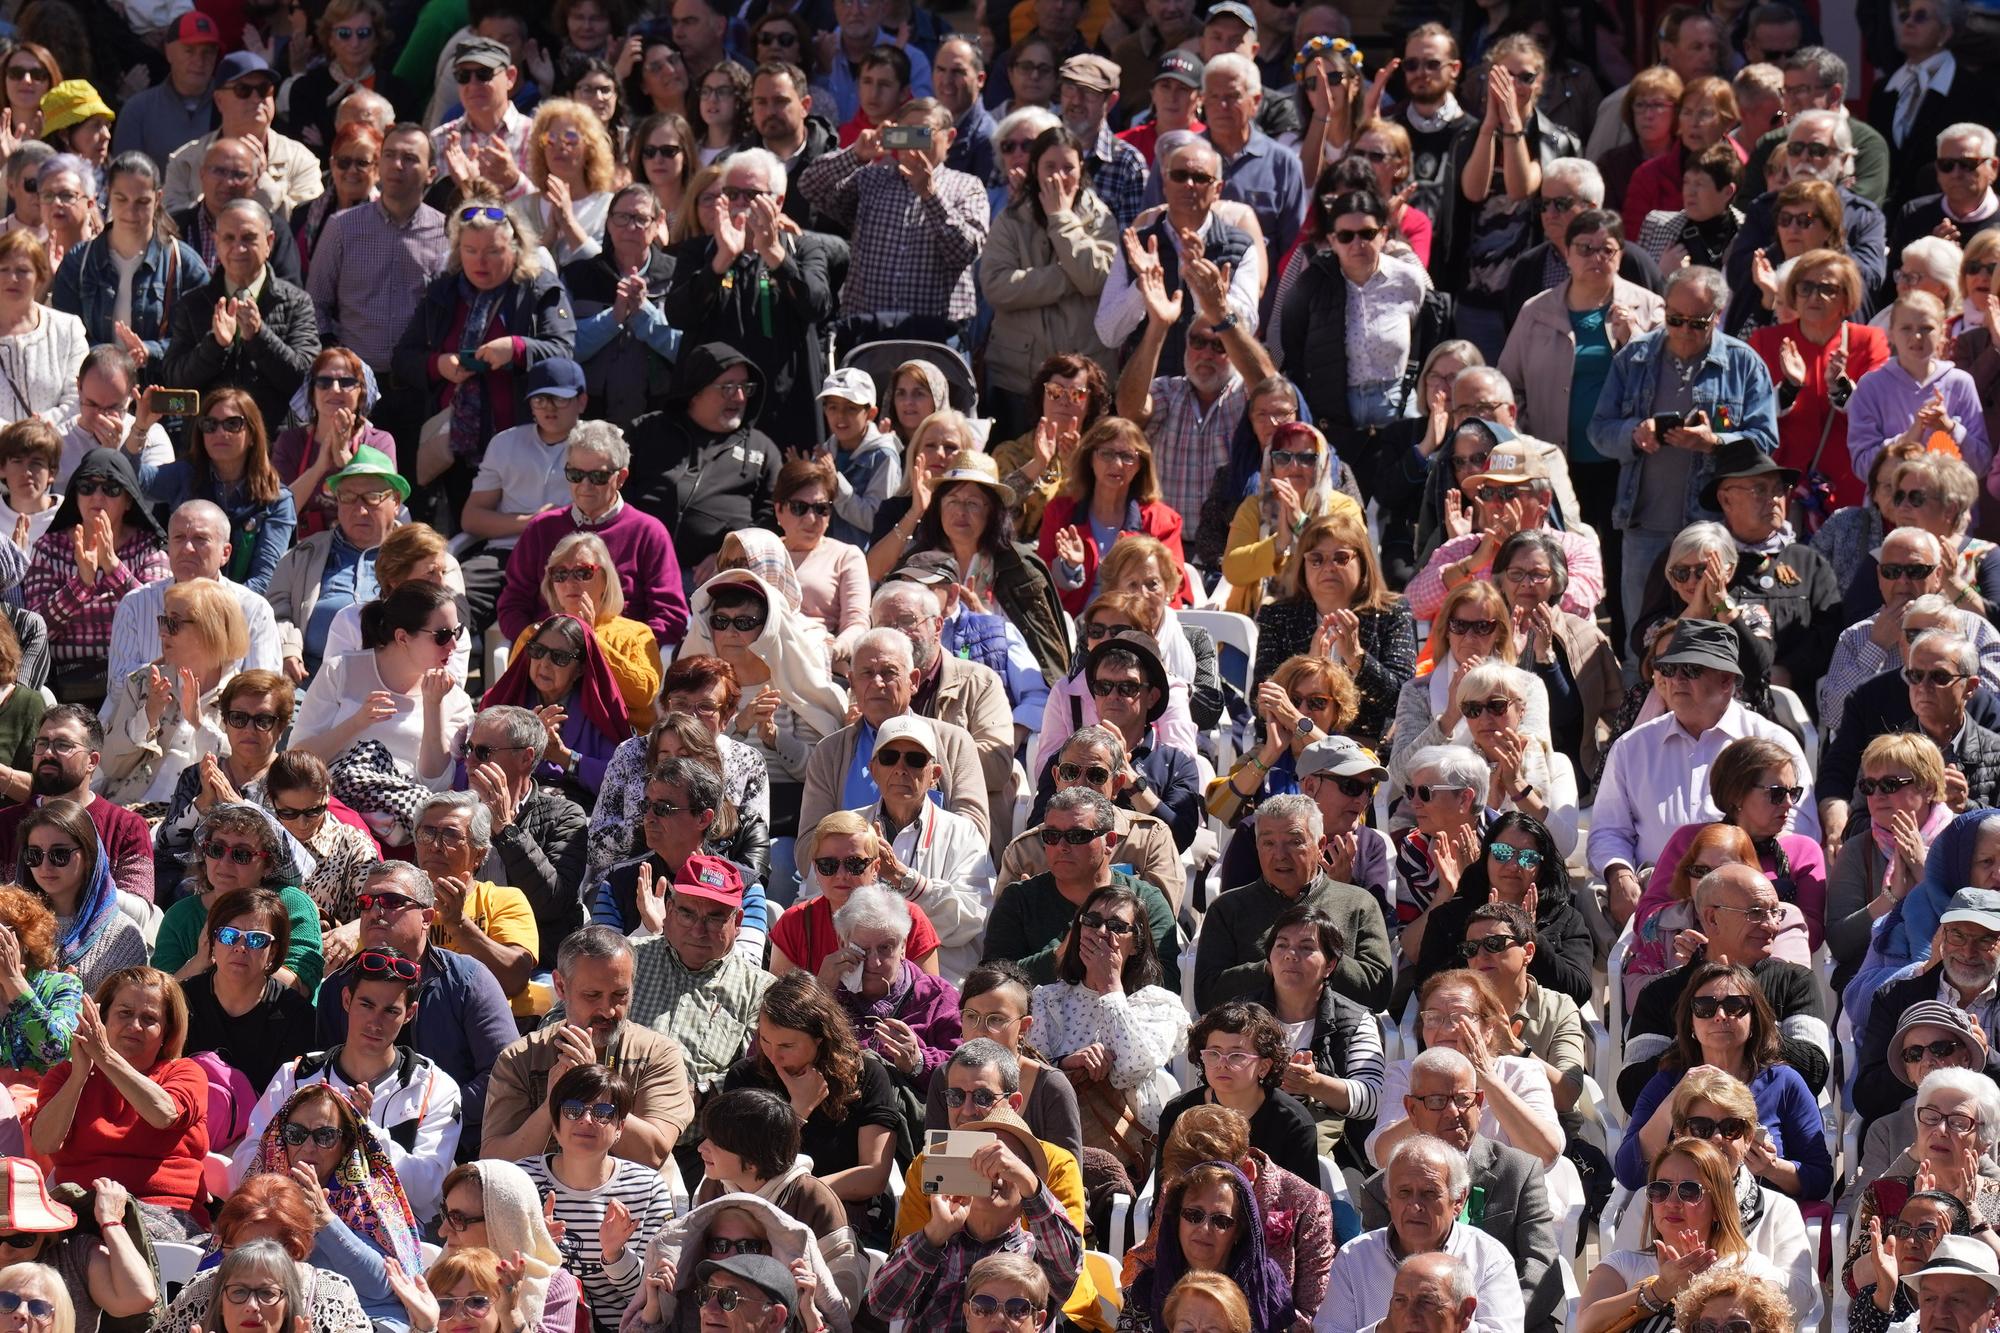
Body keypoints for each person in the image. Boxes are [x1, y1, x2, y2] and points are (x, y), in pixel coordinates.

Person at [1589, 619, 1816, 925]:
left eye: (1691, 670)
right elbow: (1608, 830)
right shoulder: (1633, 746)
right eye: (1669, 669)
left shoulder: (1773, 744)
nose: (1676, 680)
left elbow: (1796, 831)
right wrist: (1618, 874)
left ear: (1726, 682)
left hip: (1748, 906)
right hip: (1654, 900)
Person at [233, 943, 462, 1226]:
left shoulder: (435, 1086)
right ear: (346, 1000)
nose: (375, 1022)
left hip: (396, 1239)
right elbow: (244, 1165)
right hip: (294, 1221)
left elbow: (424, 1189)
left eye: (390, 1011)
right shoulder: (296, 1075)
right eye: (366, 1005)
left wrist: (367, 1133)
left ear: (410, 1013)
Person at [313, 861, 517, 1158]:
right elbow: (325, 1073)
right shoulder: (338, 987)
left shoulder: (468, 979)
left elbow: (504, 1077)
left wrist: (431, 1113)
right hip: (353, 1148)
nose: (375, 912)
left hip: (459, 1149)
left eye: (392, 902)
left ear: (427, 917)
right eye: (366, 903)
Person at [392, 198, 576, 523]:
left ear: (515, 248)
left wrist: (517, 348)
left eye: (493, 251)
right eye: (470, 250)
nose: (481, 261)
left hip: (522, 447)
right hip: (453, 453)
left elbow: (563, 350)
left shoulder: (539, 289)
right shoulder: (442, 293)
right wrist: (440, 365)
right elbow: (403, 358)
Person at [1617, 962, 1831, 1199]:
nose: (1720, 1016)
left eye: (1735, 1006)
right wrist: (1675, 1099)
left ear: (1754, 1020)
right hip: (1684, 1221)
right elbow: (1629, 1173)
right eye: (1704, 1007)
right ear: (1691, 1023)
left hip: (1759, 1225)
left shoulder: (1784, 1083)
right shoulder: (1667, 1083)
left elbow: (1820, 1179)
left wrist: (1772, 1168)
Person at [866, 1098, 1082, 1329]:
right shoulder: (934, 1242)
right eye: (982, 1160)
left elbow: (1067, 1270)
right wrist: (934, 1235)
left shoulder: (1037, 1254)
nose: (995, 1173)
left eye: (1009, 1163)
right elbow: (882, 1305)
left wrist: (1031, 1184)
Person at [722, 971, 901, 1235]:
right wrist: (798, 1111)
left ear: (820, 1038)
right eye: (765, 1040)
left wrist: (803, 1195)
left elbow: (873, 1174)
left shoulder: (867, 1076)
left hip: (840, 1216)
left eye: (787, 1045)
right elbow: (742, 1167)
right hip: (759, 1217)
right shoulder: (745, 1076)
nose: (772, 1055)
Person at [31, 967, 207, 1234]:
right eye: (124, 1013)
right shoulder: (65, 1075)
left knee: (106, 1250)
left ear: (166, 1032)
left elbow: (163, 1115)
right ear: (103, 1019)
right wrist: (79, 1077)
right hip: (82, 1210)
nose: (134, 1026)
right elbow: (44, 1142)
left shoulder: (184, 1072)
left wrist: (105, 1057)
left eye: (149, 1019)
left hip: (160, 1212)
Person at [237, 1083, 422, 1326]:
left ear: (345, 1142)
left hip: (369, 1318)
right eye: (296, 1133)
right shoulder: (266, 1191)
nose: (309, 1146)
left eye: (325, 1136)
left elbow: (381, 1285)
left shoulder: (366, 1196)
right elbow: (225, 1265)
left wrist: (324, 1219)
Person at [512, 1063, 673, 1333]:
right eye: (573, 1110)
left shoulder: (647, 1188)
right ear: (555, 1124)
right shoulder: (519, 1180)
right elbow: (492, 1271)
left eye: (602, 1112)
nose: (586, 1120)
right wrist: (537, 1249)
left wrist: (615, 1255)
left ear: (620, 1127)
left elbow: (655, 1296)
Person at [980, 125, 1119, 434]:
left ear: (1081, 168)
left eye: (1068, 167)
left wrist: (1061, 219)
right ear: (1035, 169)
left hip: (1082, 380)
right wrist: (1067, 276)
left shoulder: (1100, 218)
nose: (1058, 176)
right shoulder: (1012, 220)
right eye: (1050, 167)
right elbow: (997, 286)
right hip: (1018, 377)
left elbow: (1096, 279)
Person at [1498, 209, 1666, 459]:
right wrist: (1527, 435)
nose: (1596, 257)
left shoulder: (1649, 307)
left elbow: (1667, 382)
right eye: (1585, 248)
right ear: (1567, 253)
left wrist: (1635, 338)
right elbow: (1507, 384)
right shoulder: (1535, 311)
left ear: (1620, 256)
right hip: (1549, 458)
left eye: (1607, 250)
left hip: (1625, 460)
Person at [1580, 1137, 1792, 1333]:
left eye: (1689, 1191)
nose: (1672, 1203)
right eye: (1660, 1189)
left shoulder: (1751, 1268)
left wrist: (1704, 1284)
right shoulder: (1623, 1265)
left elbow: (1773, 1324)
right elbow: (1584, 1328)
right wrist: (1659, 1291)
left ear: (1718, 1207)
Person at [1251, 510, 1414, 756]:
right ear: (1303, 565)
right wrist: (1306, 667)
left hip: (1368, 754)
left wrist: (1358, 660)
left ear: (1362, 562)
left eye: (1340, 558)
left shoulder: (1392, 613)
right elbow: (1261, 701)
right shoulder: (1278, 616)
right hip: (1292, 749)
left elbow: (1402, 701)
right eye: (1316, 559)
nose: (1328, 567)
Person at [1319, 1136, 1523, 1333]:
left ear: (1459, 1200)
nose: (1415, 1206)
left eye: (1430, 1193)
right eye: (1404, 1192)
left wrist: (1445, 1319)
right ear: (1389, 1199)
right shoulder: (1355, 1257)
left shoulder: (1487, 1257)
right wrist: (1386, 1328)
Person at [1844, 1070, 2000, 1292]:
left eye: (1958, 1122)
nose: (1940, 1130)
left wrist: (1972, 1214)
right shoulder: (1887, 1193)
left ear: (1984, 1142)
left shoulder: (1995, 1198)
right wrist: (1910, 1229)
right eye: (1931, 1117)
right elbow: (1852, 1282)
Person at [151, 801, 321, 991]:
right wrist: (200, 962)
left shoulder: (292, 904)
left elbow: (302, 985)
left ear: (269, 865)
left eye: (241, 854)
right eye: (216, 849)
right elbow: (160, 995)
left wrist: (235, 960)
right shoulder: (180, 916)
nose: (224, 862)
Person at [178, 886, 315, 1101]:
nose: (241, 947)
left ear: (274, 950)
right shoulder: (181, 1001)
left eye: (256, 939)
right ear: (212, 941)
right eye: (229, 935)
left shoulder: (297, 1017)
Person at [926, 980, 1085, 1159]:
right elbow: (932, 1162)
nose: (981, 1030)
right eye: (971, 1016)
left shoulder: (1051, 1086)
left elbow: (1066, 1177)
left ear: (1024, 1026)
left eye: (996, 1019)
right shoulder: (944, 1076)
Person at [1851, 292, 1992, 484]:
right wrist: (1910, 437)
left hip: (1947, 508)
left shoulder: (1960, 383)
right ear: (1891, 332)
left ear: (1943, 332)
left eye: (1926, 328)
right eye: (1906, 328)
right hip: (1892, 509)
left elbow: (1982, 464)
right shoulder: (1871, 386)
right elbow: (1863, 466)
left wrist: (1950, 428)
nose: (1916, 336)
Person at [12, 801, 143, 994]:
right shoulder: (8, 921)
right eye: (34, 855)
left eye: (60, 854)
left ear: (89, 854)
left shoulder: (124, 938)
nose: (45, 866)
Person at [433, 1161, 579, 1333]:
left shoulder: (555, 1286)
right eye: (445, 1214)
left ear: (504, 1225)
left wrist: (511, 1316)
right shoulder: (434, 1277)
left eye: (457, 1219)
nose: (442, 1231)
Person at [0, 886, 78, 1073]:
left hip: (42, 1099)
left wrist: (14, 982)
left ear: (25, 941)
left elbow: (55, 1050)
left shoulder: (62, 985)